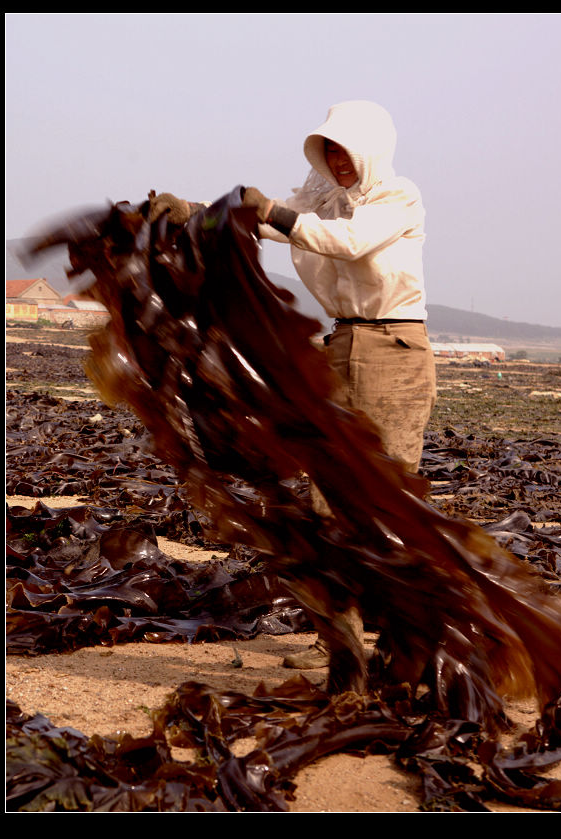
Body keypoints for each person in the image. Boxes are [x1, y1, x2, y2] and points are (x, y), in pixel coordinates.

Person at [242, 100, 437, 669]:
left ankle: (408, 642)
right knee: (329, 499)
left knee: (388, 499)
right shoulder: (323, 198)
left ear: (370, 150)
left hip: (395, 350)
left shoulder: (398, 197)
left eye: (345, 149)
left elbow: (345, 242)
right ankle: (342, 646)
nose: (337, 160)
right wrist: (197, 213)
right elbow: (264, 219)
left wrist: (271, 212)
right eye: (328, 149)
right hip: (343, 346)